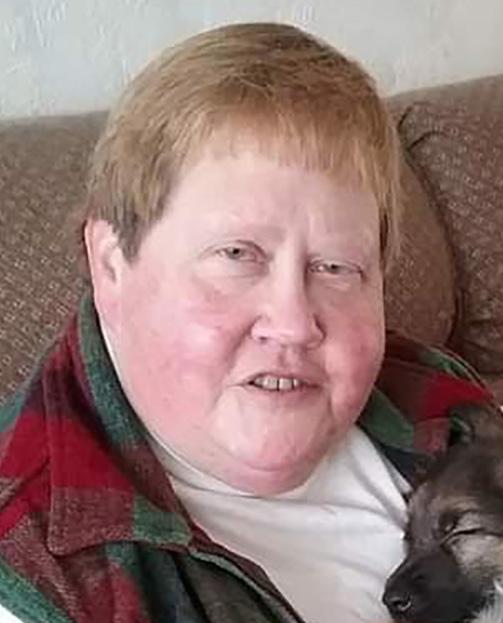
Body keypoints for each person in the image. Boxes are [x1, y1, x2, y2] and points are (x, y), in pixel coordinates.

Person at [0, 22, 495, 623]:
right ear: (111, 263)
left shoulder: (435, 397)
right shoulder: (32, 573)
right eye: (237, 254)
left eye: (335, 266)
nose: (294, 324)